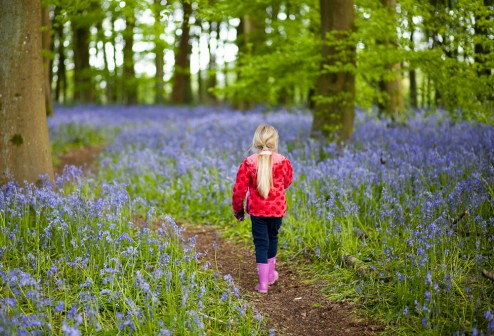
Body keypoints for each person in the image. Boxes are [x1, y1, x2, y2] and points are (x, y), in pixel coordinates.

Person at [232, 124, 293, 294]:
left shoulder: (249, 163)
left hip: (258, 212)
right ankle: (270, 276)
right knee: (272, 238)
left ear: (256, 143)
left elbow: (239, 190)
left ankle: (263, 284)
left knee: (261, 243)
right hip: (277, 210)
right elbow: (287, 182)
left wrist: (238, 210)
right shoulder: (283, 161)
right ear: (275, 142)